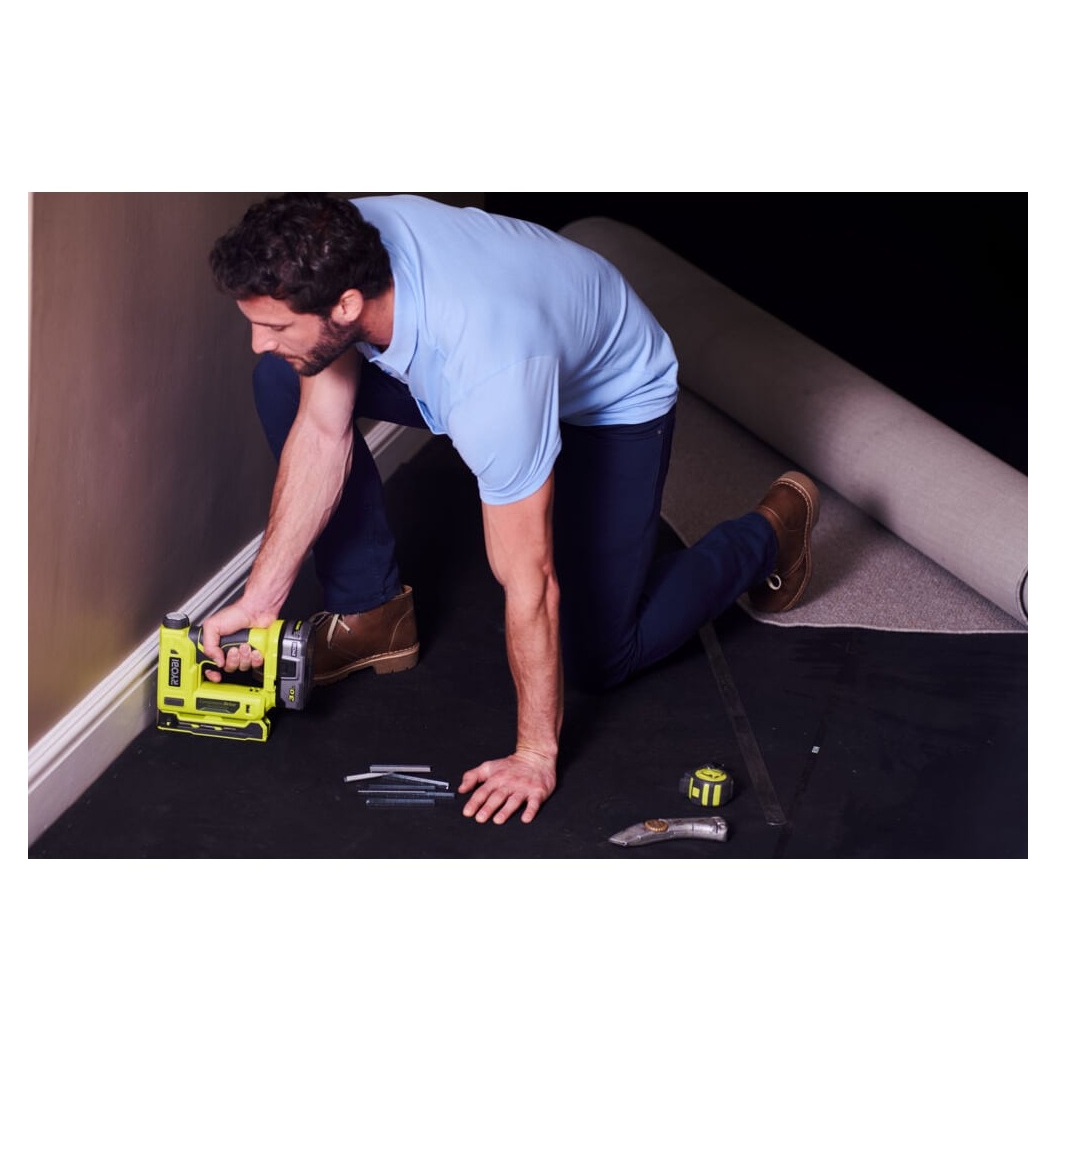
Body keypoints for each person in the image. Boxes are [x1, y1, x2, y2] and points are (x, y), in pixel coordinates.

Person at [200, 194, 820, 827]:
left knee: (600, 655)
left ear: (347, 304)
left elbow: (532, 581)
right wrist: (260, 602)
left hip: (607, 397)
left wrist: (534, 754)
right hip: (513, 350)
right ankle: (372, 614)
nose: (257, 341)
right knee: (282, 379)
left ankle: (768, 534)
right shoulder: (329, 244)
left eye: (275, 327)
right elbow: (321, 430)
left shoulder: (487, 375)